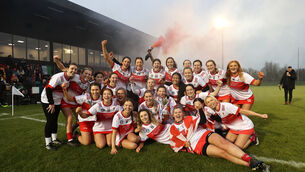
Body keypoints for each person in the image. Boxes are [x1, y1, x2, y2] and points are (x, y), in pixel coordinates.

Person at [169, 106, 270, 171]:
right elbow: (174, 144)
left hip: (203, 134)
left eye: (179, 112)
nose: (178, 114)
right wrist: (184, 146)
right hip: (196, 146)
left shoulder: (189, 118)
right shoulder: (172, 128)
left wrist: (200, 109)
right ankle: (253, 166)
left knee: (224, 144)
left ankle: (250, 160)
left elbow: (202, 120)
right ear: (173, 115)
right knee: (223, 153)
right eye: (176, 113)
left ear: (183, 114)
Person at [41, 63, 78, 150]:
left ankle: (54, 139)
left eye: (75, 69)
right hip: (48, 100)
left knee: (55, 120)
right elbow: (48, 89)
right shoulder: (58, 77)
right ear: (67, 69)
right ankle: (48, 143)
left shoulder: (70, 78)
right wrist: (51, 103)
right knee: (50, 121)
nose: (73, 71)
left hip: (58, 100)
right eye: (72, 68)